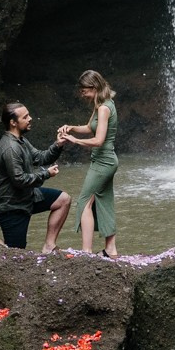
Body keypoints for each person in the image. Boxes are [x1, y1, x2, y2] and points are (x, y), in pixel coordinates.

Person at [56, 70, 120, 257]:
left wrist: (74, 140)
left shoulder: (104, 108)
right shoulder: (102, 104)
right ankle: (110, 248)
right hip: (104, 160)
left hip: (103, 161)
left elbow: (99, 140)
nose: (82, 94)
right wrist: (72, 127)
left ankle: (86, 251)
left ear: (94, 87)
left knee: (84, 202)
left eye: (84, 90)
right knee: (104, 201)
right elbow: (88, 127)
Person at [0, 101, 71, 251]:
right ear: (13, 122)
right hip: (11, 206)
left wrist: (58, 145)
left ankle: (49, 245)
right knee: (14, 251)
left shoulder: (21, 140)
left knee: (63, 200)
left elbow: (40, 158)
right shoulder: (11, 147)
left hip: (27, 197)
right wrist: (46, 174)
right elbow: (19, 180)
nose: (30, 119)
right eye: (25, 117)